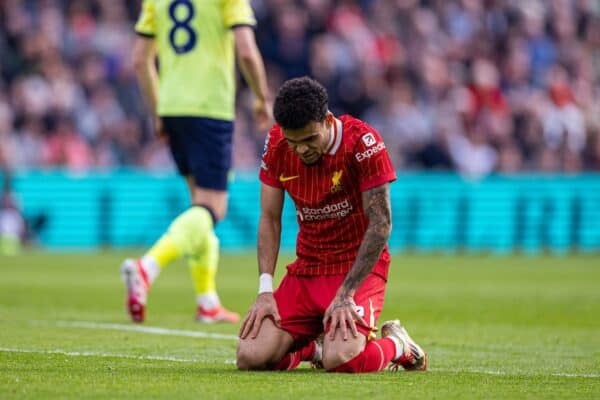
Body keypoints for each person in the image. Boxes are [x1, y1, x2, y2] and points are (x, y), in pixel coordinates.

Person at [236, 77, 426, 373]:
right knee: (251, 357)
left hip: (356, 271)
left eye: (310, 139)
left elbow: (381, 224)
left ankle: (399, 344)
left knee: (344, 361)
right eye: (293, 141)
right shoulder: (275, 143)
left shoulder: (363, 142)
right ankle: (315, 348)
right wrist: (265, 291)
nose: (301, 150)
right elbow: (270, 219)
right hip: (308, 269)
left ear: (327, 120)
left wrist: (347, 292)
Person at [122, 0, 272, 323]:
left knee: (200, 206)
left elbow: (140, 60)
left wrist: (157, 110)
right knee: (212, 208)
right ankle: (147, 268)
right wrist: (262, 97)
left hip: (172, 106)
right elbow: (246, 51)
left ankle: (207, 301)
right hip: (209, 108)